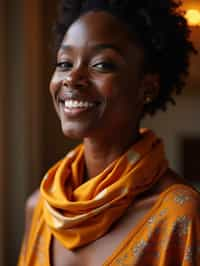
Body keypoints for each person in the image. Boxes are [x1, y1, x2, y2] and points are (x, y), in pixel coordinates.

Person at [18, 0, 200, 265]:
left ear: (147, 87)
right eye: (65, 63)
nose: (71, 78)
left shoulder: (179, 215)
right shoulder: (40, 209)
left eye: (102, 65)